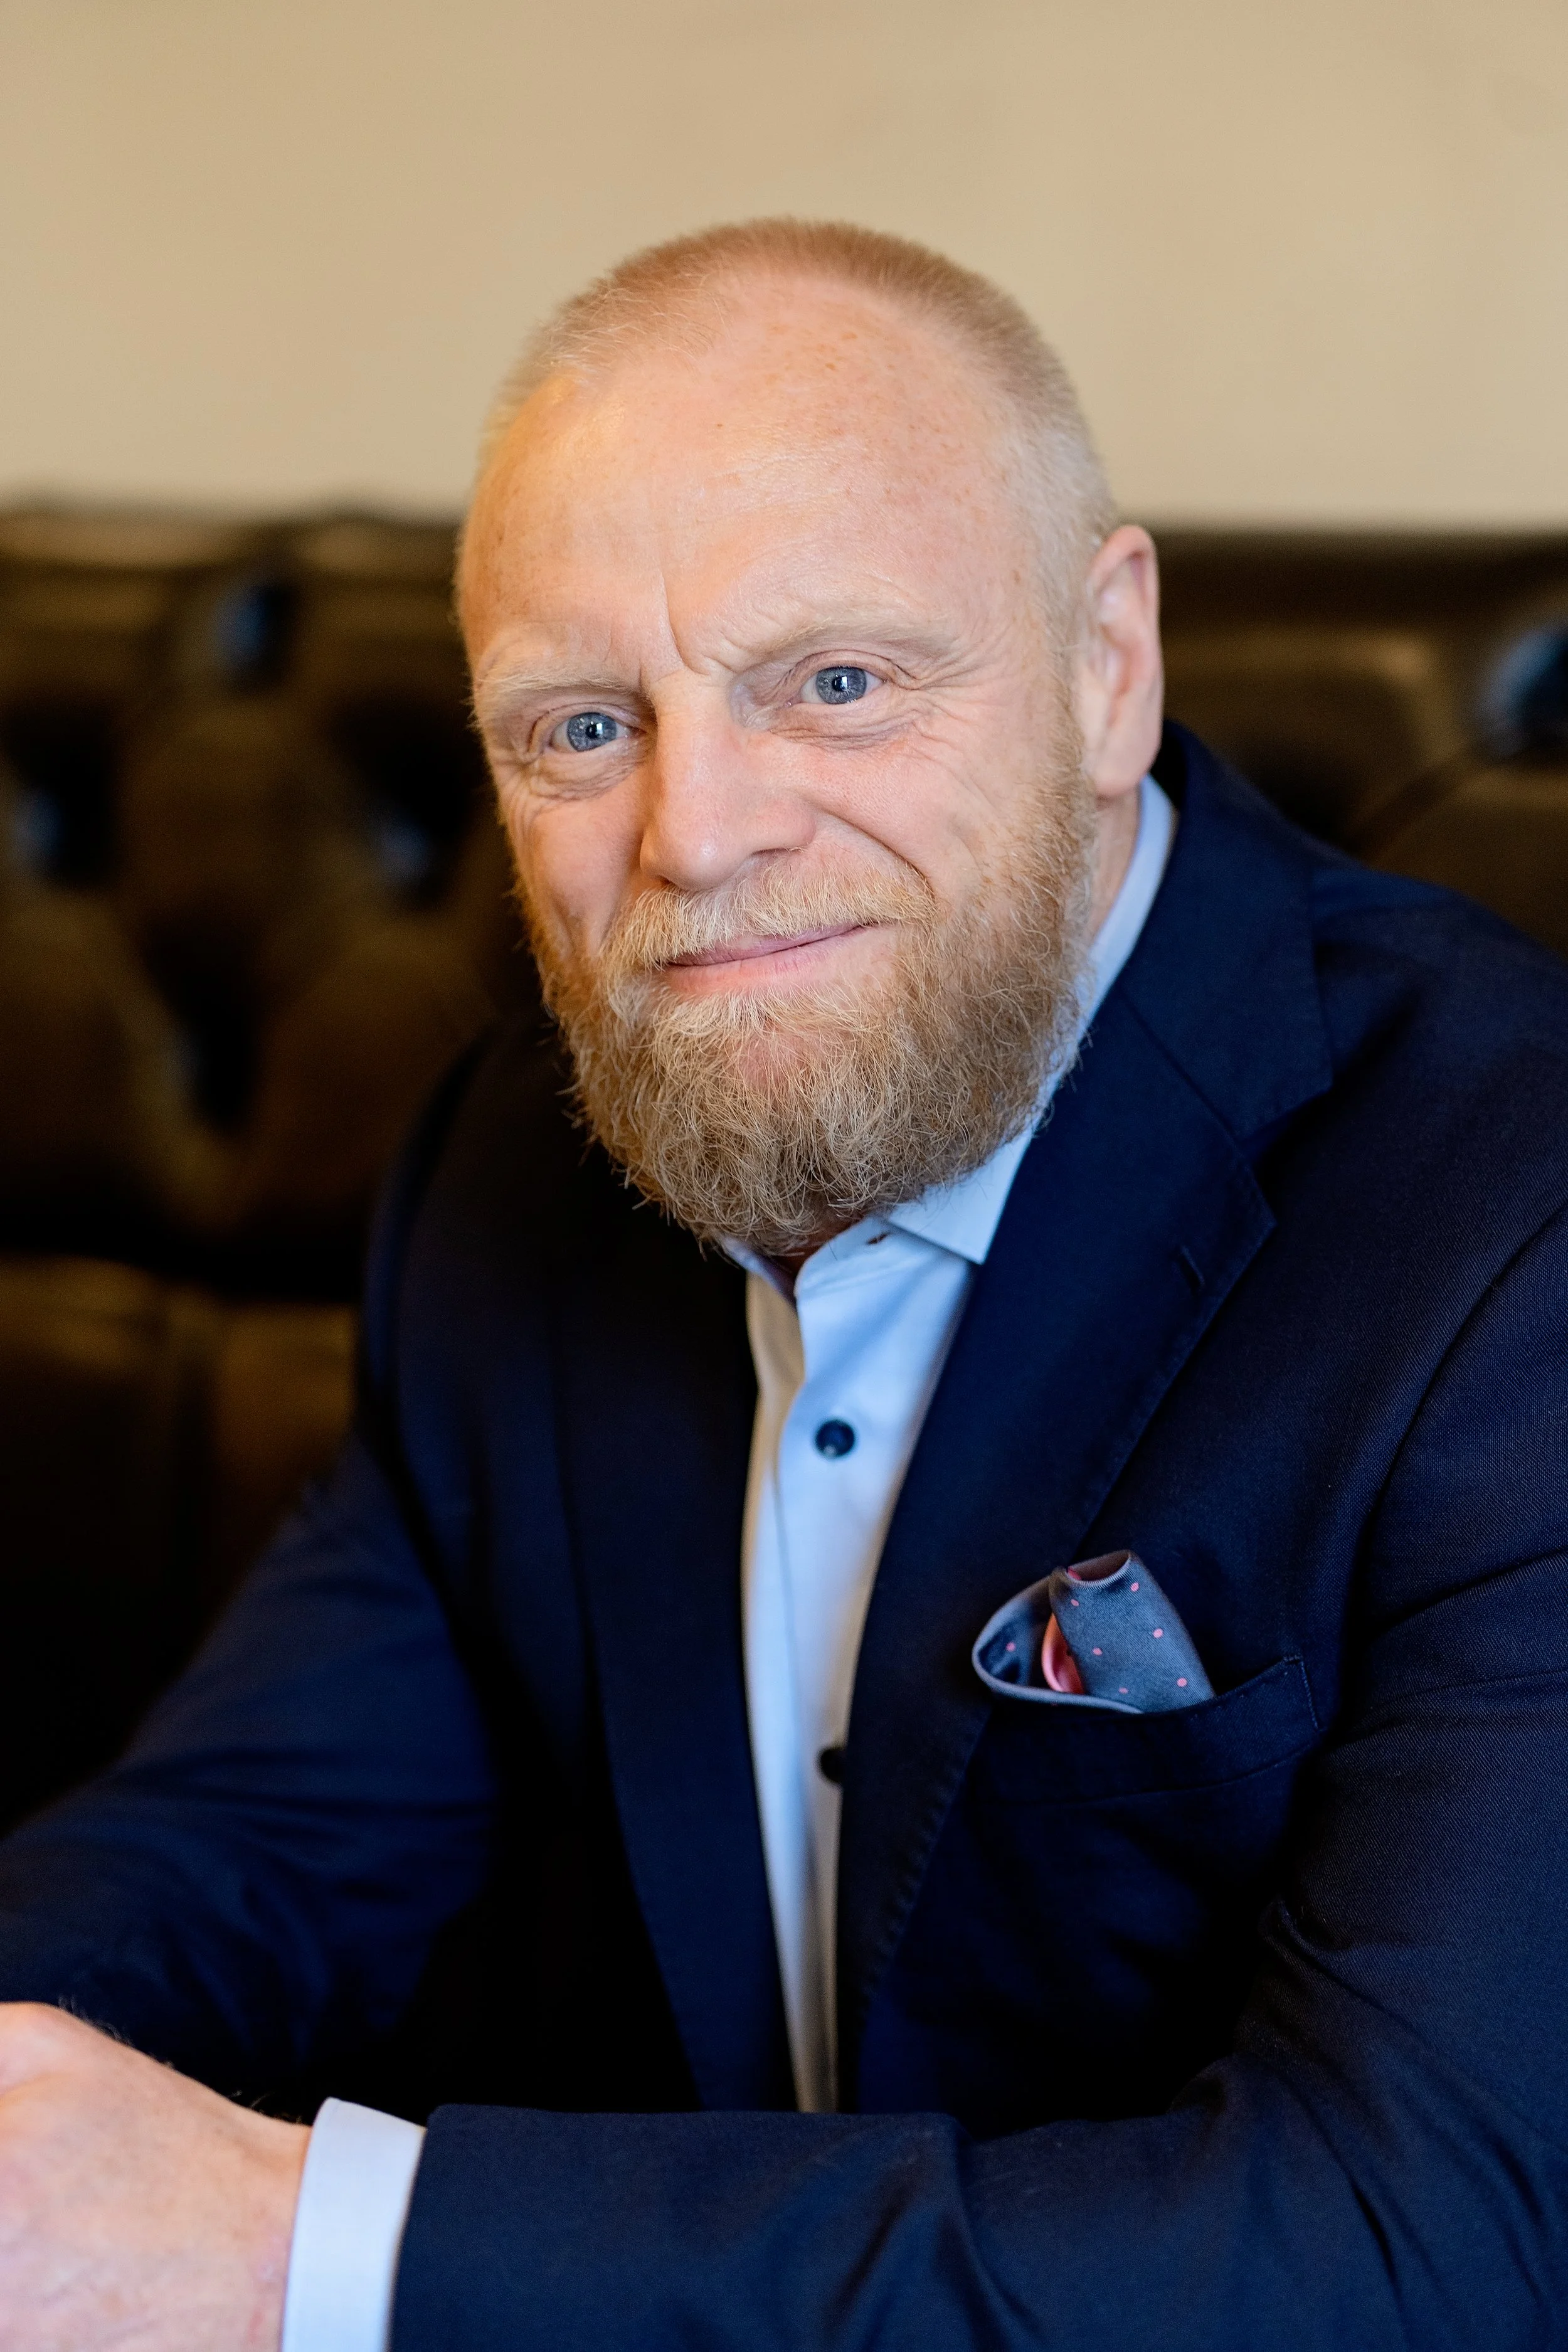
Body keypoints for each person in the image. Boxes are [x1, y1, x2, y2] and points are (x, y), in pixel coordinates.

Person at [1, 218, 1566, 2352]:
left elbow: (1415, 2252)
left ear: (1109, 665)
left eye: (831, 681)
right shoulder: (507, 1169)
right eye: (576, 726)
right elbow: (256, 1838)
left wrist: (310, 2243)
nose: (697, 837)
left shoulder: (1514, 1220)